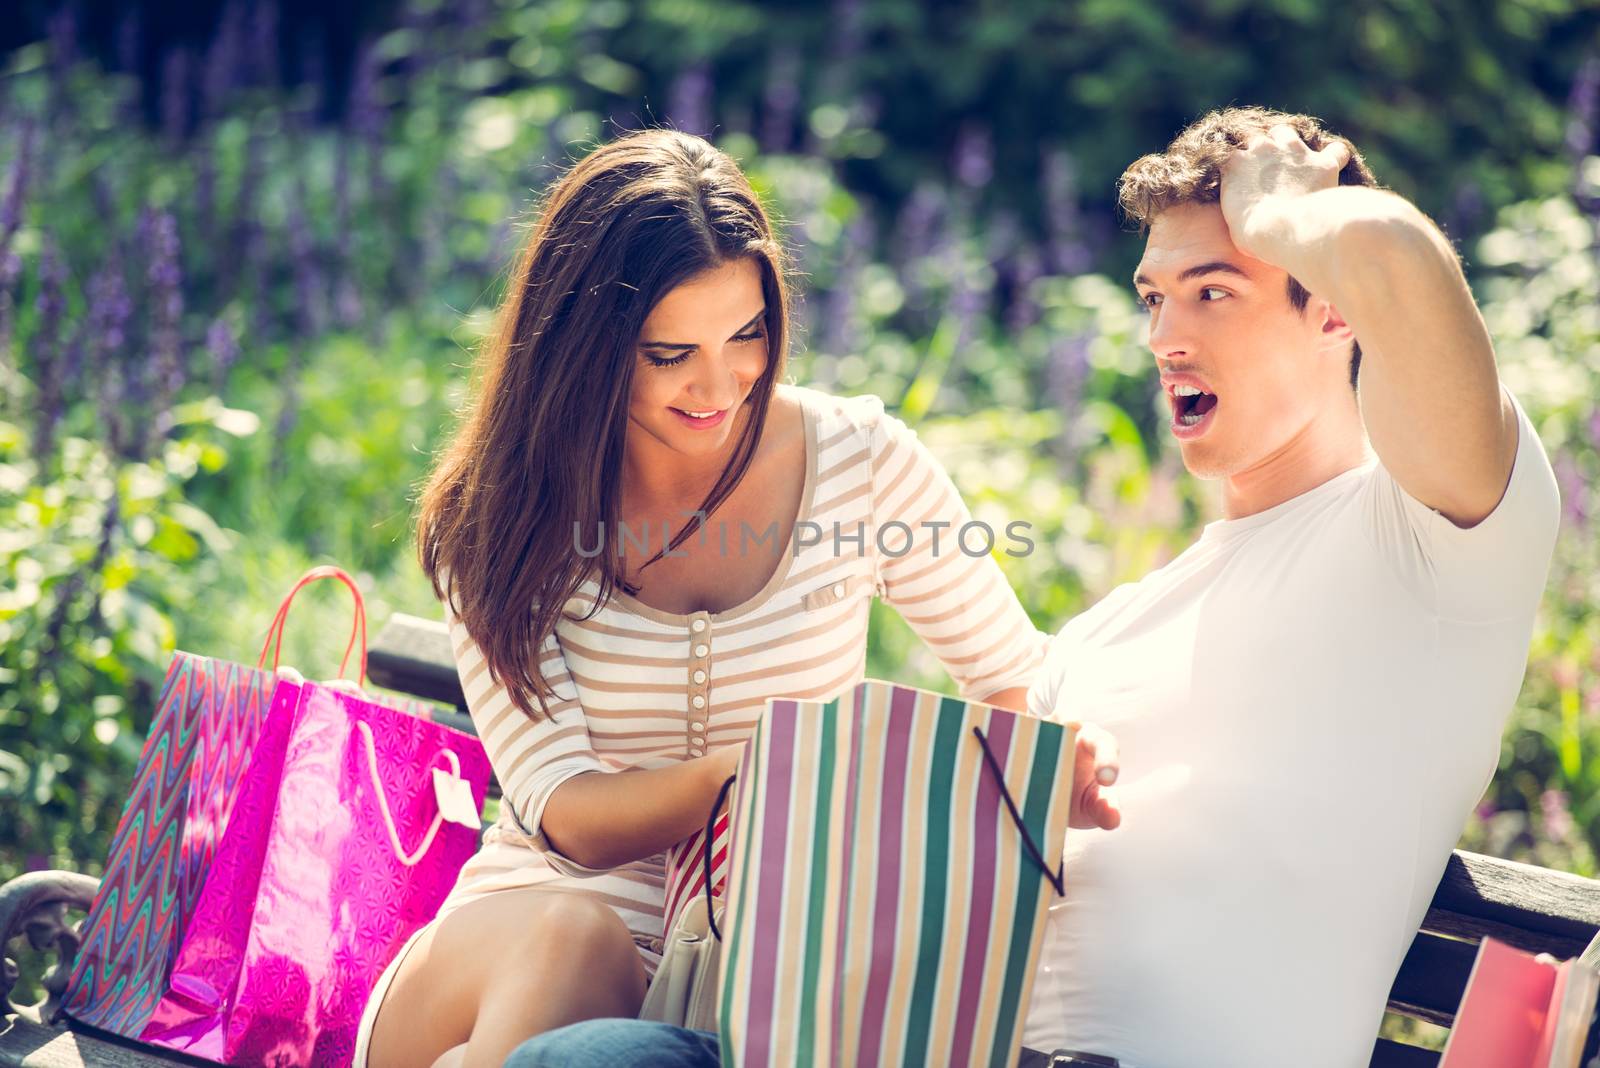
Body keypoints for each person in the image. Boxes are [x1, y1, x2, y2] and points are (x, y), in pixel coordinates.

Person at [353, 128, 1122, 1068]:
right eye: (670, 352)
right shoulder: (503, 513)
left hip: (769, 982)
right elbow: (568, 813)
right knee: (576, 942)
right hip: (512, 954)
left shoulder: (861, 464)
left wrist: (1053, 754)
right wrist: (775, 772)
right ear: (583, 352)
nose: (721, 385)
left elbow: (1011, 676)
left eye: (748, 333)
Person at [1019, 107, 1560, 1066]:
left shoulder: (1432, 545)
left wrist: (1277, 215)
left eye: (1213, 292)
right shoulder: (1094, 641)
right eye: (1153, 299)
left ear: (1337, 309)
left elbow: (1393, 255)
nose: (1164, 338)